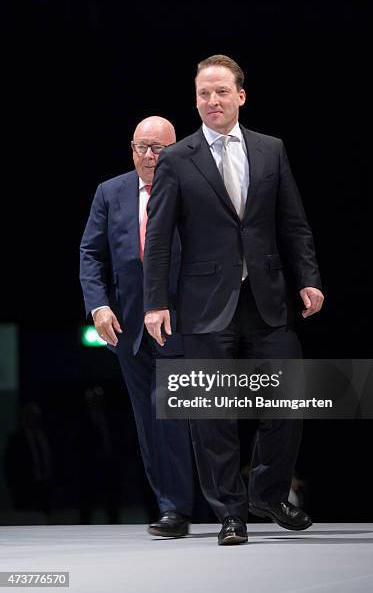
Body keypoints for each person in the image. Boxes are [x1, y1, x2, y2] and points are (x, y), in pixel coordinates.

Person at [143, 56, 324, 545]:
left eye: (221, 91)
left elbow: (293, 223)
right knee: (212, 413)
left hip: (267, 298)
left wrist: (309, 278)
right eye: (204, 94)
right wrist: (154, 302)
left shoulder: (271, 150)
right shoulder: (177, 158)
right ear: (196, 100)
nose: (212, 101)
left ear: (241, 96)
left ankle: (267, 492)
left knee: (289, 401)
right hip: (204, 304)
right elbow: (158, 238)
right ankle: (231, 513)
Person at [79, 116, 194, 537]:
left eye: (158, 148)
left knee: (177, 415)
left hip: (183, 323)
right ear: (131, 149)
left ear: (175, 150)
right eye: (141, 147)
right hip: (126, 328)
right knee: (149, 420)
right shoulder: (110, 192)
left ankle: (202, 505)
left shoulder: (191, 189)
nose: (149, 156)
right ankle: (172, 508)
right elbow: (91, 254)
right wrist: (98, 307)